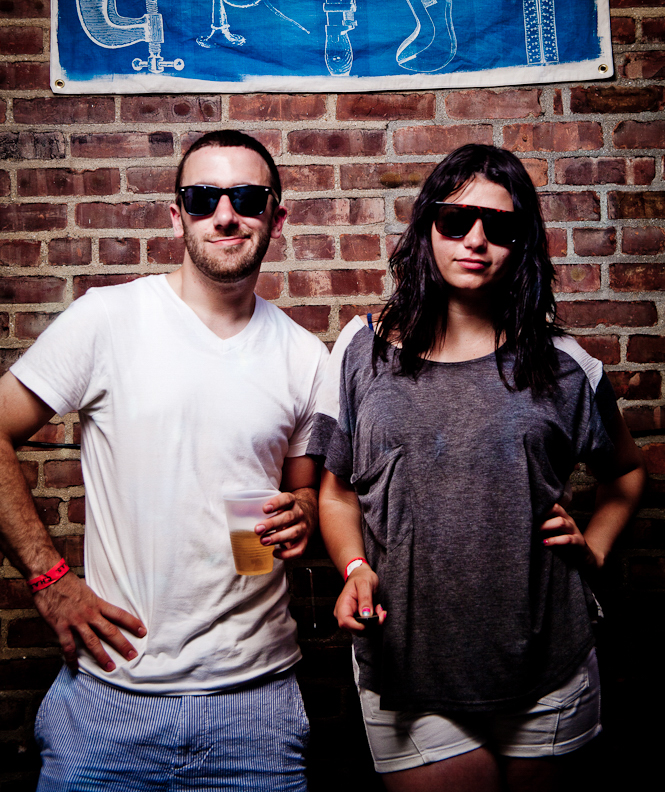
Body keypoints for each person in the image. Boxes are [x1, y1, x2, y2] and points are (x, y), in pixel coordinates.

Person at [0, 129, 329, 791]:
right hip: (111, 694)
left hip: (255, 705)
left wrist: (303, 511)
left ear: (277, 217)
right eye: (204, 198)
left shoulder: (304, 356)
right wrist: (50, 580)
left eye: (247, 198)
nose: (225, 215)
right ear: (177, 216)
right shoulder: (108, 320)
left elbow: (304, 494)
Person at [311, 144, 644, 792]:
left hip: (546, 657)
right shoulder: (361, 348)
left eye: (500, 226)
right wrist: (353, 568)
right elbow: (335, 494)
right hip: (407, 662)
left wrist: (595, 549)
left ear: (523, 243)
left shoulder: (565, 364)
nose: (475, 240)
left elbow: (627, 474)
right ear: (426, 228)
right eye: (455, 220)